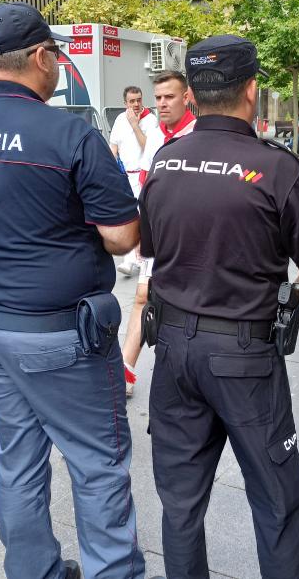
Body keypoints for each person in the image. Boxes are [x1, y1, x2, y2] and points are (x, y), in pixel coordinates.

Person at [0, 2, 144, 579]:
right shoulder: (71, 133)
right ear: (41, 57)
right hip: (58, 331)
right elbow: (120, 238)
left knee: (18, 457)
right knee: (97, 463)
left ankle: (33, 571)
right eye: (58, 59)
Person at [141, 35, 299, 579]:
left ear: (194, 97)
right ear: (252, 91)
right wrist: (281, 321)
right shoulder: (277, 168)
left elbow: (153, 255)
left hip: (174, 350)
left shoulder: (164, 162)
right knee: (278, 503)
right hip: (246, 353)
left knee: (180, 504)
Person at [122, 71, 197, 398]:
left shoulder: (199, 133)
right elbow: (145, 185)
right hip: (157, 232)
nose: (162, 103)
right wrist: (141, 230)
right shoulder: (154, 134)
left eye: (169, 97)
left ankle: (189, 373)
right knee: (142, 296)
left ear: (187, 97)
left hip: (190, 237)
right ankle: (124, 369)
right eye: (159, 98)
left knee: (183, 304)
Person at [111, 85, 159, 277]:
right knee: (128, 217)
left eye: (139, 99)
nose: (136, 104)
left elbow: (149, 148)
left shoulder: (150, 120)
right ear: (125, 103)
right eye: (132, 101)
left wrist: (135, 125)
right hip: (125, 176)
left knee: (140, 217)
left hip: (144, 175)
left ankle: (133, 260)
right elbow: (113, 146)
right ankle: (134, 259)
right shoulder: (120, 119)